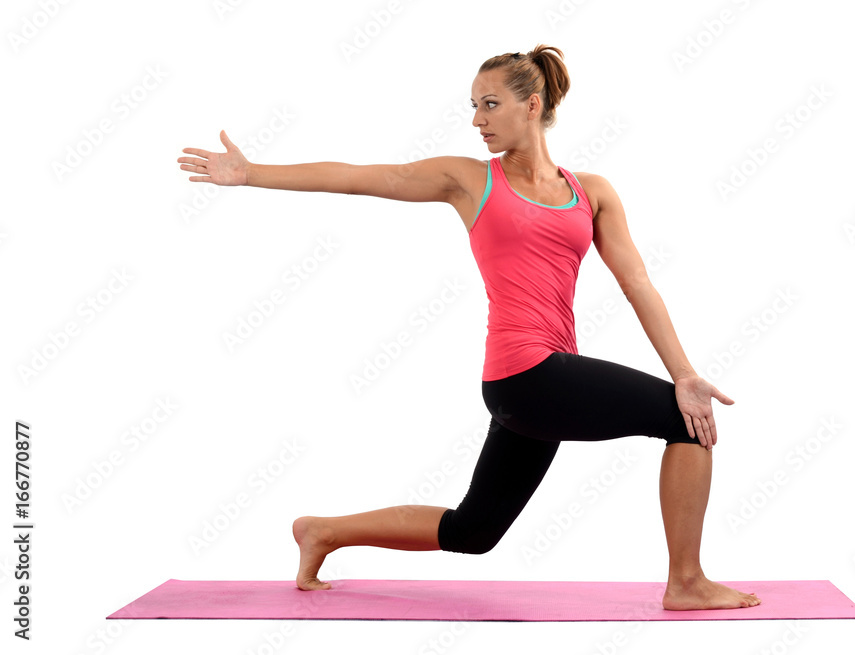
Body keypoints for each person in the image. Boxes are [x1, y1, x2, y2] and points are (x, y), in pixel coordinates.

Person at [178, 44, 761, 611]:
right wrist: (253, 173)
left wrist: (684, 371)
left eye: (489, 104)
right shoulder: (470, 180)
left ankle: (323, 532)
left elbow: (638, 284)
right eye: (474, 106)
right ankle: (686, 581)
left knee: (474, 530)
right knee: (684, 423)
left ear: (531, 106)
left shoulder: (593, 192)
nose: (476, 119)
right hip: (525, 374)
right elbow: (360, 177)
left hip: (539, 383)